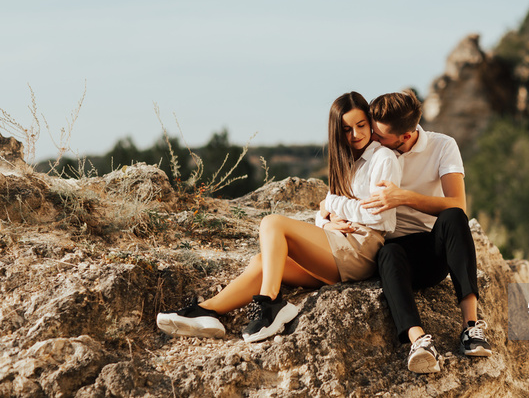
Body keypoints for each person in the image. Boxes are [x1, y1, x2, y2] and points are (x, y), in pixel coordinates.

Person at [156, 92, 401, 343]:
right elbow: (324, 212)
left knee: (272, 223)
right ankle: (207, 311)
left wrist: (334, 203)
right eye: (347, 129)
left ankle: (271, 304)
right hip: (335, 246)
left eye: (361, 126)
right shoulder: (347, 160)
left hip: (360, 250)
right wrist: (326, 220)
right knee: (265, 261)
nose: (355, 134)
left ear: (371, 123)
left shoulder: (383, 158)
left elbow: (383, 219)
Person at [360, 90, 492, 374]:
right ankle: (419, 342)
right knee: (389, 252)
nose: (373, 139)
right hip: (391, 254)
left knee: (455, 216)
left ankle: (472, 328)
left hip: (431, 253)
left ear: (406, 136)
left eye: (380, 136)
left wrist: (403, 197)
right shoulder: (369, 150)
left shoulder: (443, 146)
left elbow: (457, 203)